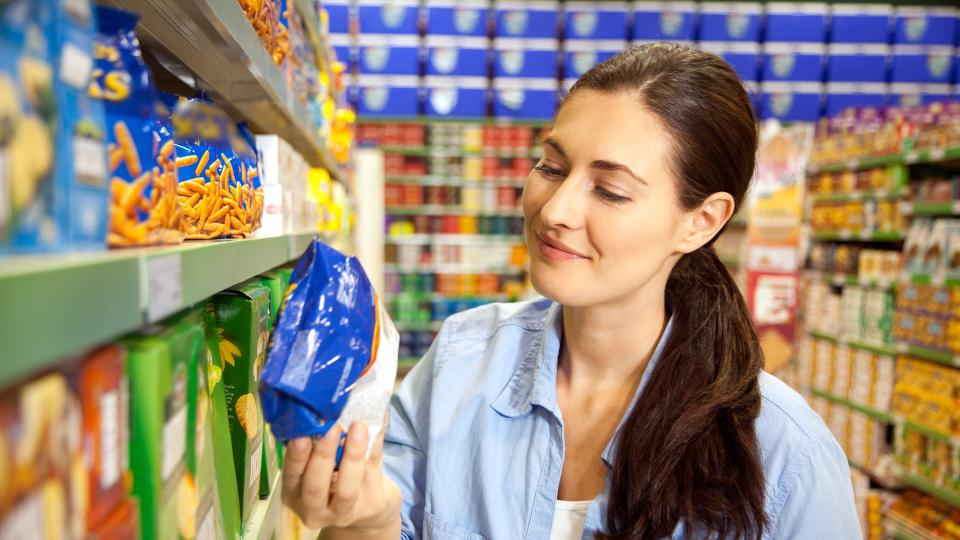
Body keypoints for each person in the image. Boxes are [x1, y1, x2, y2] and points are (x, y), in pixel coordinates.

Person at [280, 43, 861, 540]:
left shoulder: (785, 453)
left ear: (701, 222)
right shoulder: (461, 359)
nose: (554, 210)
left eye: (609, 190)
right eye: (551, 167)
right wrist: (369, 518)